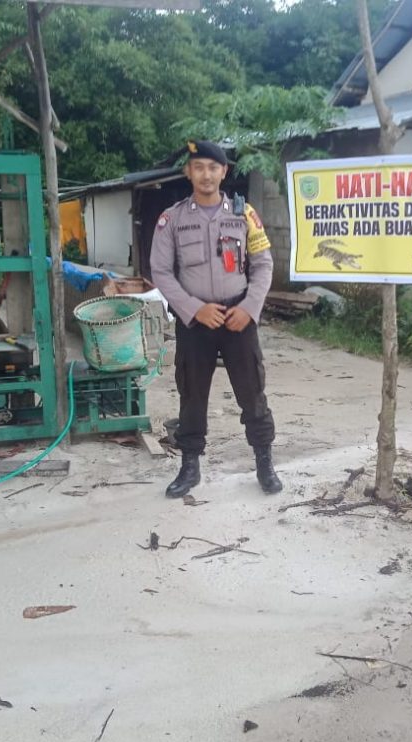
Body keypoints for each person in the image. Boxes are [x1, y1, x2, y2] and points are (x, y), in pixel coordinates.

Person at [150, 140, 282, 498]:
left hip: (238, 316)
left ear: (224, 172)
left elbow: (263, 264)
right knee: (192, 394)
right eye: (199, 167)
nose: (206, 174)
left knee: (252, 392)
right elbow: (161, 272)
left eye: (213, 167)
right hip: (197, 322)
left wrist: (250, 307)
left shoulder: (244, 214)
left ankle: (264, 463)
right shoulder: (173, 219)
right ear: (188, 172)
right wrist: (194, 309)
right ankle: (190, 467)